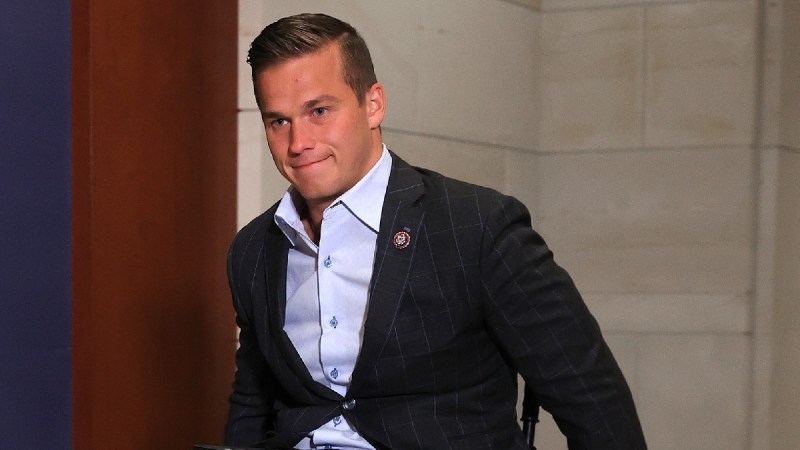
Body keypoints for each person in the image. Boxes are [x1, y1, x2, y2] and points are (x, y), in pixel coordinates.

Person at [225, 12, 646, 450]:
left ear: (373, 104)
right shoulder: (253, 250)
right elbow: (252, 404)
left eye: (319, 111)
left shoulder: (476, 226)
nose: (298, 142)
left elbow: (590, 396)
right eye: (279, 121)